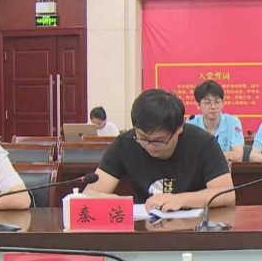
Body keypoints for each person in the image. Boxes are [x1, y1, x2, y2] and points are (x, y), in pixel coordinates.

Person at [84, 90, 235, 212]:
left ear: (179, 128)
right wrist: (115, 201)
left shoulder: (203, 142)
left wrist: (180, 200)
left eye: (159, 141)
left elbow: (226, 194)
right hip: (143, 227)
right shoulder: (124, 143)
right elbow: (90, 193)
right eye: (143, 138)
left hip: (195, 228)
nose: (149, 146)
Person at [189, 80, 245, 162]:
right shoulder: (191, 124)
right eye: (207, 102)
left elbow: (238, 156)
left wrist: (205, 155)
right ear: (198, 105)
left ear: (222, 103)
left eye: (217, 102)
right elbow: (188, 156)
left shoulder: (232, 122)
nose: (213, 106)